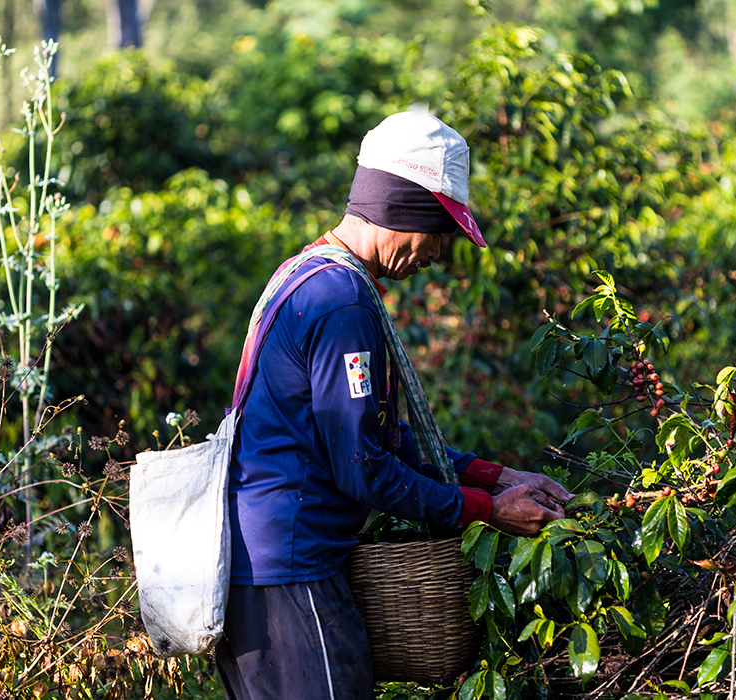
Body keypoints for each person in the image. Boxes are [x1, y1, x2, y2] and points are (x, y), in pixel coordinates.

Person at [216, 109, 573, 700]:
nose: (436, 253)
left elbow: (376, 436)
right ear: (404, 208)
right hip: (291, 570)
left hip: (272, 568)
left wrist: (495, 473)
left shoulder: (308, 273)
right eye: (439, 231)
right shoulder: (341, 301)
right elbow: (363, 469)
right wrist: (486, 510)